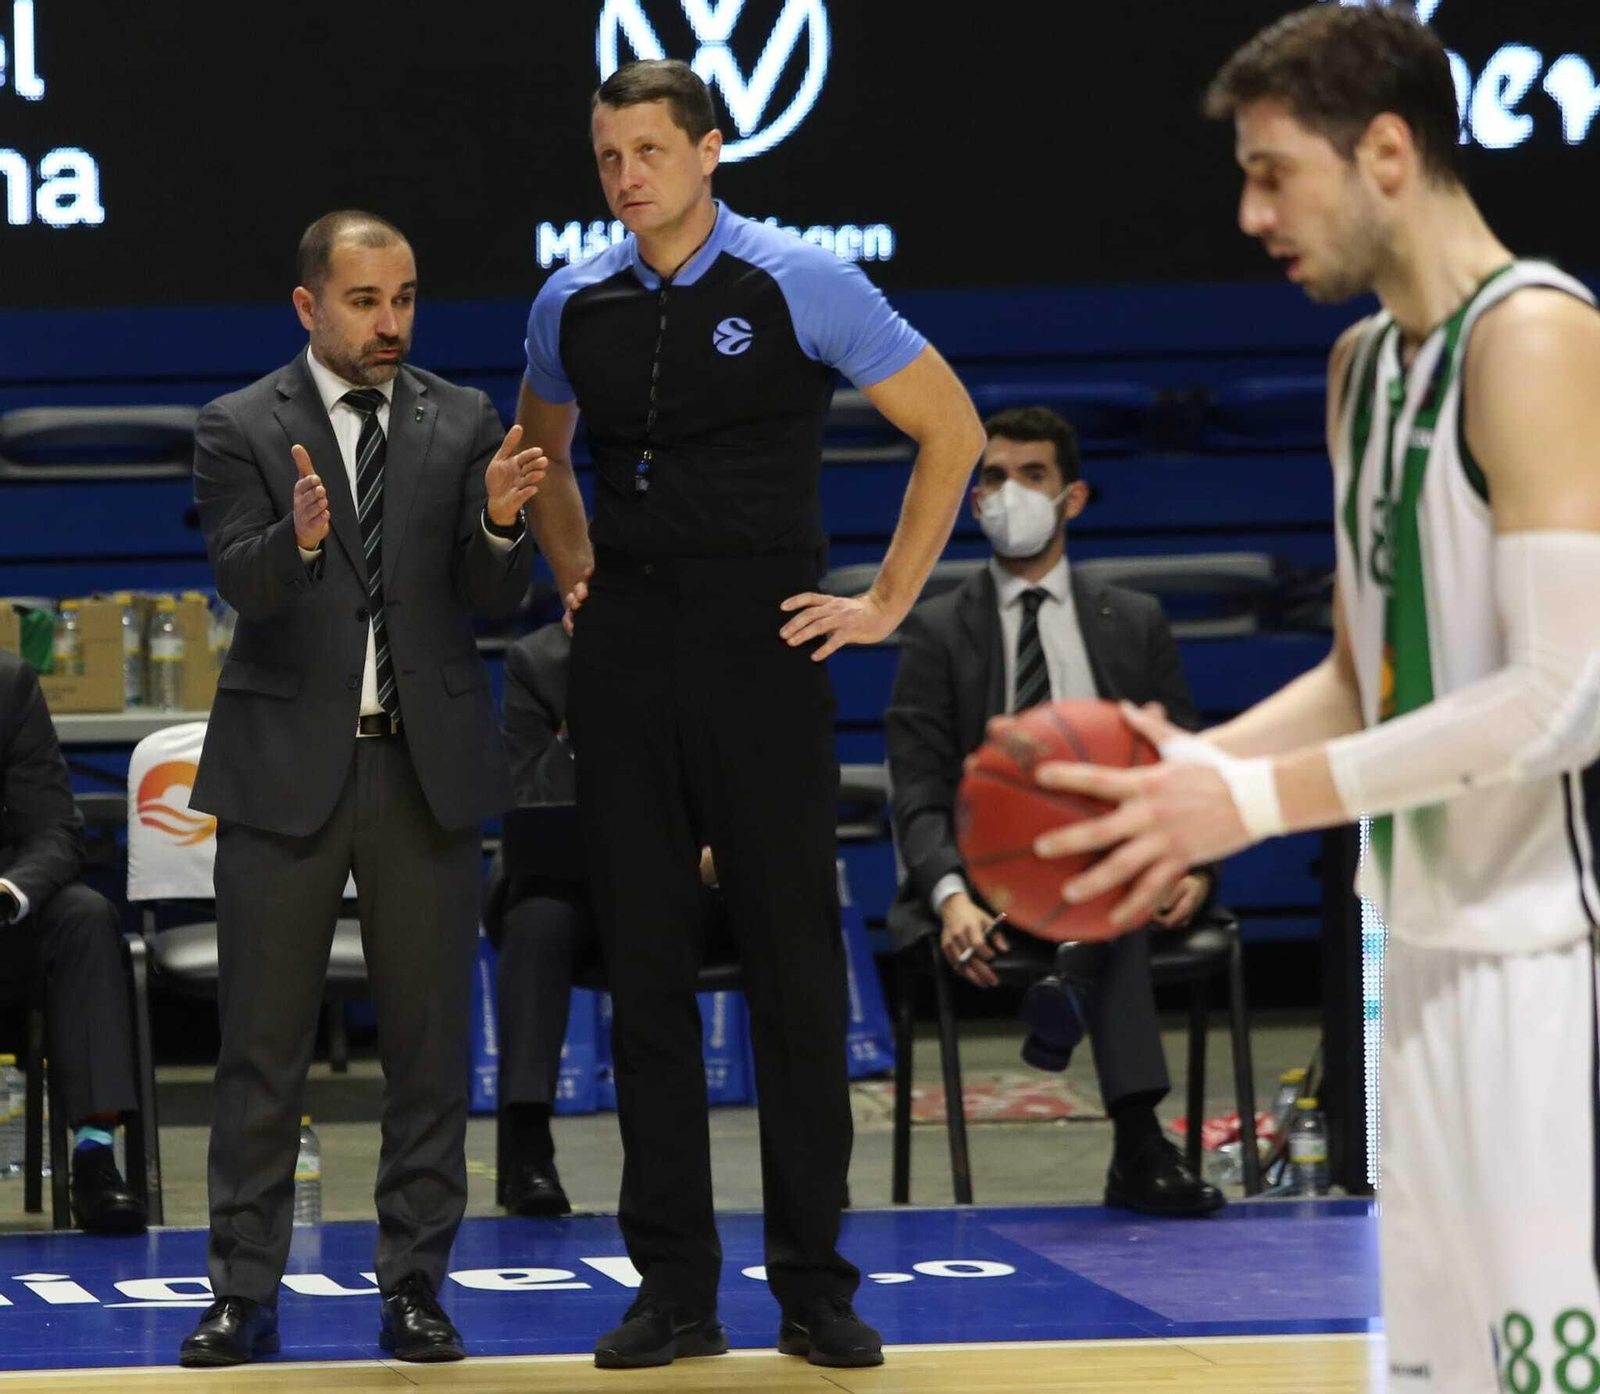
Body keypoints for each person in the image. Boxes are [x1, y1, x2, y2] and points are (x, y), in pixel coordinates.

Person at [1025, 9, 1600, 1391]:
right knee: (1438, 1373)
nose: (1248, 210)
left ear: (1388, 151)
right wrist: (1192, 776)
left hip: (1547, 963)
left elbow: (1565, 696)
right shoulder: (1361, 371)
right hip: (1412, 947)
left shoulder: (1533, 336)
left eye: (1275, 171)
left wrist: (1248, 797)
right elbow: (1360, 677)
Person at [518, 59, 986, 1372]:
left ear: (710, 151)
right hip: (626, 654)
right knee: (649, 973)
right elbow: (538, 451)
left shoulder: (800, 280)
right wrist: (571, 570)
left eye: (650, 152)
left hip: (766, 646)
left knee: (792, 973)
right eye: (609, 156)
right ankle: (673, 1289)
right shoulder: (573, 299)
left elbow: (949, 426)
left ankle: (816, 1288)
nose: (626, 177)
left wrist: (888, 600)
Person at [179, 210, 541, 1369]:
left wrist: (496, 518)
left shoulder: (463, 417)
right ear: (308, 306)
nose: (390, 323)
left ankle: (416, 1286)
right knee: (261, 1047)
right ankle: (243, 1289)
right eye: (365, 301)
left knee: (429, 1049)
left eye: (405, 299)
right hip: (286, 770)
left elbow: (493, 593)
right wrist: (293, 541)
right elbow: (241, 578)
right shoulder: (239, 424)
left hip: (420, 766)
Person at [885, 406, 1222, 1217]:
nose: (1010, 494)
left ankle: (1133, 1133)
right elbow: (919, 788)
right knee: (1108, 904)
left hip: (1114, 865)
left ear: (1072, 497)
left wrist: (1191, 860)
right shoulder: (936, 631)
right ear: (972, 505)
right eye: (993, 478)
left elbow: (1186, 760)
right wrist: (950, 896)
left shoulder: (1134, 622)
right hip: (987, 885)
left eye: (1031, 476)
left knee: (1122, 891)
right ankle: (1139, 1137)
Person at [488, 620, 730, 1217]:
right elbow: (529, 797)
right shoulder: (536, 662)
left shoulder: (695, 650)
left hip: (682, 880)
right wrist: (585, 714)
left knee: (653, 923)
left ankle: (663, 1161)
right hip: (569, 888)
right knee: (537, 921)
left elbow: (732, 778)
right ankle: (527, 1149)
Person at [0, 650, 146, 1235]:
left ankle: (93, 1161)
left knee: (86, 916)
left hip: (5, 919)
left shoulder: (8, 685)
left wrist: (11, 890)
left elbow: (56, 829)